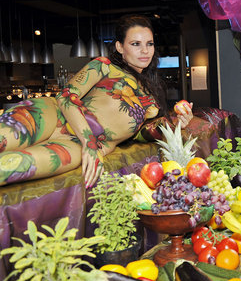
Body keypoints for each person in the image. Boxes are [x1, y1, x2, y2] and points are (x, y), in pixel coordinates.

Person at [0, 15, 193, 188]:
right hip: (52, 116)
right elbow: (66, 96)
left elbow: (141, 134)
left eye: (149, 44)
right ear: (120, 47)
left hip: (75, 145)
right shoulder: (104, 66)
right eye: (136, 44)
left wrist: (178, 122)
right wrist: (89, 144)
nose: (145, 51)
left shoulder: (151, 98)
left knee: (13, 167)